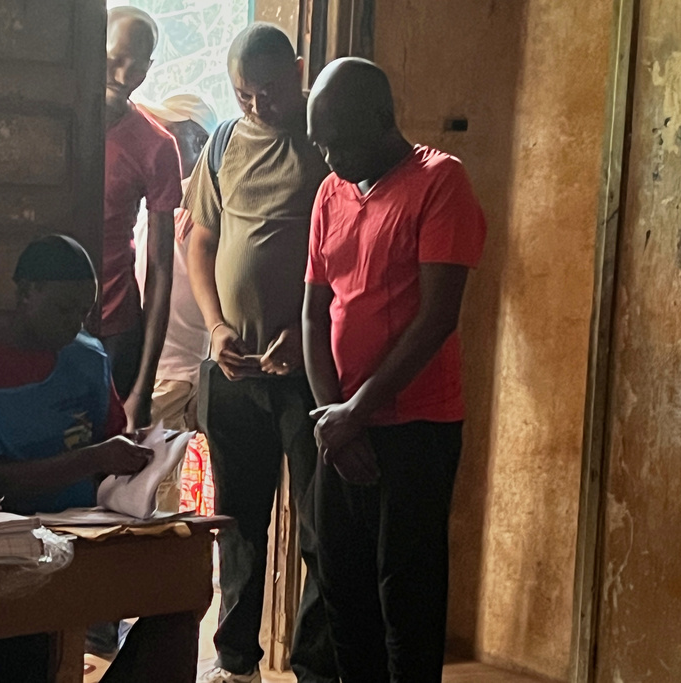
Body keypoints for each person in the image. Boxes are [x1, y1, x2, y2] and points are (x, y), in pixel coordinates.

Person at [0, 235, 201, 683]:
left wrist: (140, 455)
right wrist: (88, 459)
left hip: (85, 528)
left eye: (84, 312)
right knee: (20, 640)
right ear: (24, 294)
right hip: (3, 539)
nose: (75, 323)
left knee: (181, 584)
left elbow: (109, 438)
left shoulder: (86, 356)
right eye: (63, 310)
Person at [303, 58, 487, 682]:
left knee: (405, 596)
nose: (329, 159)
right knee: (342, 591)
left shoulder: (440, 183)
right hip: (344, 427)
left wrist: (357, 414)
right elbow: (314, 310)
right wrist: (335, 418)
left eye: (339, 142)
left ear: (383, 121)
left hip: (417, 427)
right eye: (319, 143)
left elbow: (437, 319)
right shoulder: (331, 192)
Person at [185, 24, 336, 683]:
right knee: (239, 523)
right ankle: (236, 661)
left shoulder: (331, 138)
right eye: (243, 94)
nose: (257, 106)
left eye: (270, 91)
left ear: (299, 72)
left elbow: (353, 258)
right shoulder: (222, 143)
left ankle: (314, 664)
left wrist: (309, 340)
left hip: (310, 371)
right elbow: (201, 242)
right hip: (233, 369)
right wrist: (216, 328)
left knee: (322, 526)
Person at [101, 6, 182, 433]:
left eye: (139, 62)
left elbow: (161, 268)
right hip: (49, 326)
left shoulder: (156, 146)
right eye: (116, 56)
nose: (125, 72)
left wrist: (143, 388)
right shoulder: (58, 127)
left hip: (117, 330)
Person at [134, 94, 216, 432]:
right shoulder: (163, 206)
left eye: (169, 135)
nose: (158, 146)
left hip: (174, 374)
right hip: (159, 371)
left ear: (199, 141)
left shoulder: (206, 209)